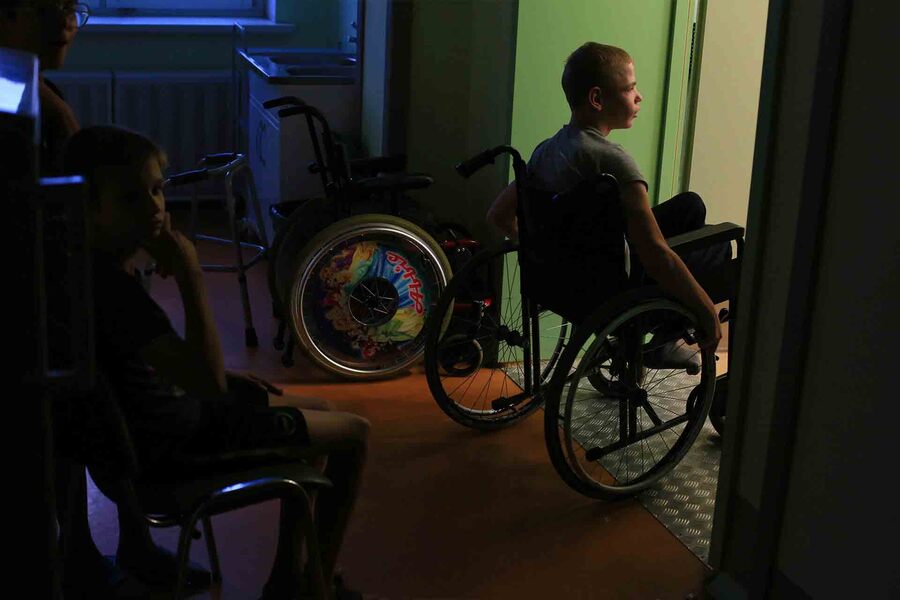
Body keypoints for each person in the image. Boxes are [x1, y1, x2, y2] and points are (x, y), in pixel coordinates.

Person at [62, 124, 369, 599]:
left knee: (323, 413)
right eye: (130, 198)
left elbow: (142, 369)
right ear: (88, 207)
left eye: (156, 190)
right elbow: (207, 385)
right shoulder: (117, 295)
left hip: (165, 425)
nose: (154, 208)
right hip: (179, 444)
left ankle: (290, 579)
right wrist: (191, 274)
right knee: (354, 432)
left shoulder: (92, 271)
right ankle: (314, 588)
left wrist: (220, 376)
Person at [487, 42, 724, 361]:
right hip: (614, 291)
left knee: (690, 206)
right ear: (597, 99)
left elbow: (498, 214)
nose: (639, 97)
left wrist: (540, 251)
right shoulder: (613, 162)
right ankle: (661, 340)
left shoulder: (547, 150)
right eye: (630, 88)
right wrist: (706, 309)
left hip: (570, 279)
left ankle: (662, 334)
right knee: (722, 245)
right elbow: (654, 253)